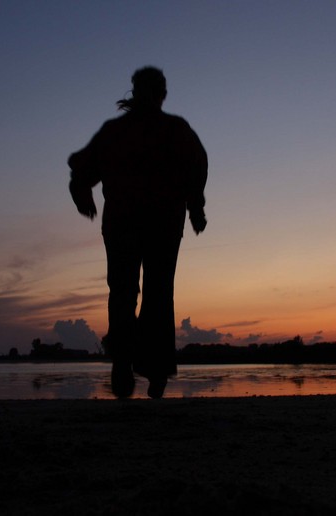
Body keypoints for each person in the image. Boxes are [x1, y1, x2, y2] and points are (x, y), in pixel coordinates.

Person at [68, 66, 208, 399]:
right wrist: (196, 208)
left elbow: (196, 168)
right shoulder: (155, 130)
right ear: (159, 93)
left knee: (129, 293)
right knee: (147, 293)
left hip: (139, 224)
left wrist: (195, 207)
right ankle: (140, 367)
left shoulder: (164, 130)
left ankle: (138, 366)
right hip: (141, 224)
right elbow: (197, 168)